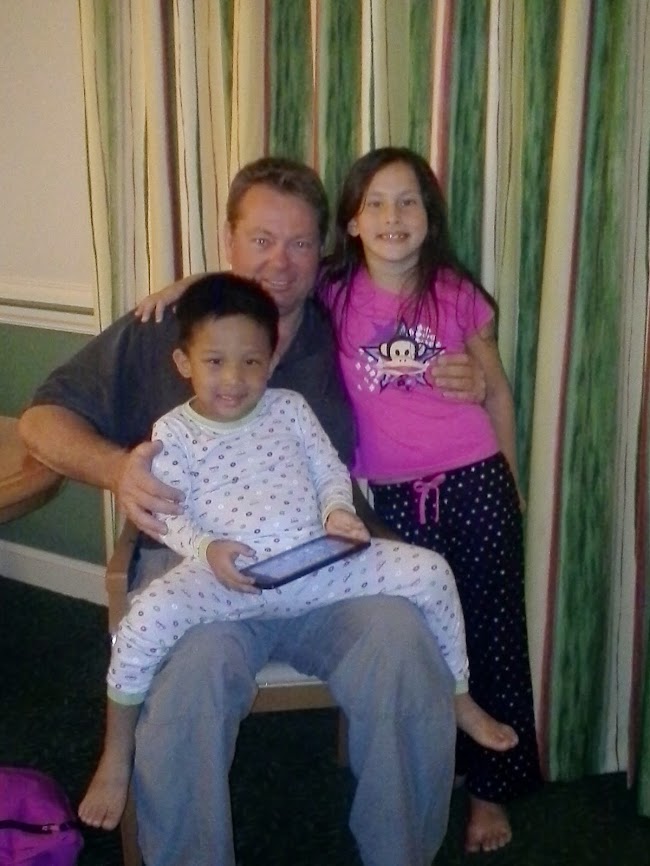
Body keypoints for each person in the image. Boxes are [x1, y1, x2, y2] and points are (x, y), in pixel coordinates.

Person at [19, 156, 485, 866]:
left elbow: (424, 336)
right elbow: (41, 421)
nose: (280, 261)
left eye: (300, 243)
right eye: (261, 239)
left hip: (322, 566)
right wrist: (118, 470)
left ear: (323, 251)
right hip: (203, 573)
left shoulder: (346, 323)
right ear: (228, 239)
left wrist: (472, 374)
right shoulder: (167, 329)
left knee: (404, 648)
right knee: (187, 687)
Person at [78, 273, 517, 832]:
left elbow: (329, 471)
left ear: (270, 360)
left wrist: (337, 513)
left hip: (317, 569)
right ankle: (116, 754)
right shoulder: (173, 433)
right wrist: (206, 549)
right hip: (226, 581)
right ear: (184, 363)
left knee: (431, 571)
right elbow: (167, 514)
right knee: (139, 625)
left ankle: (459, 695)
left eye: (251, 362)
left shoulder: (289, 408)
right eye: (215, 362)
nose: (234, 379)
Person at [317, 147, 543, 853]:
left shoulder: (455, 293)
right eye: (376, 203)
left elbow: (497, 391)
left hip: (476, 484)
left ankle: (489, 793)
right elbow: (262, 287)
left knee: (492, 637)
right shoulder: (332, 293)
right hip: (391, 501)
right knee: (417, 640)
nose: (393, 216)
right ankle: (429, 768)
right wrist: (184, 285)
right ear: (352, 221)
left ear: (429, 216)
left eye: (408, 200)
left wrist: (513, 480)